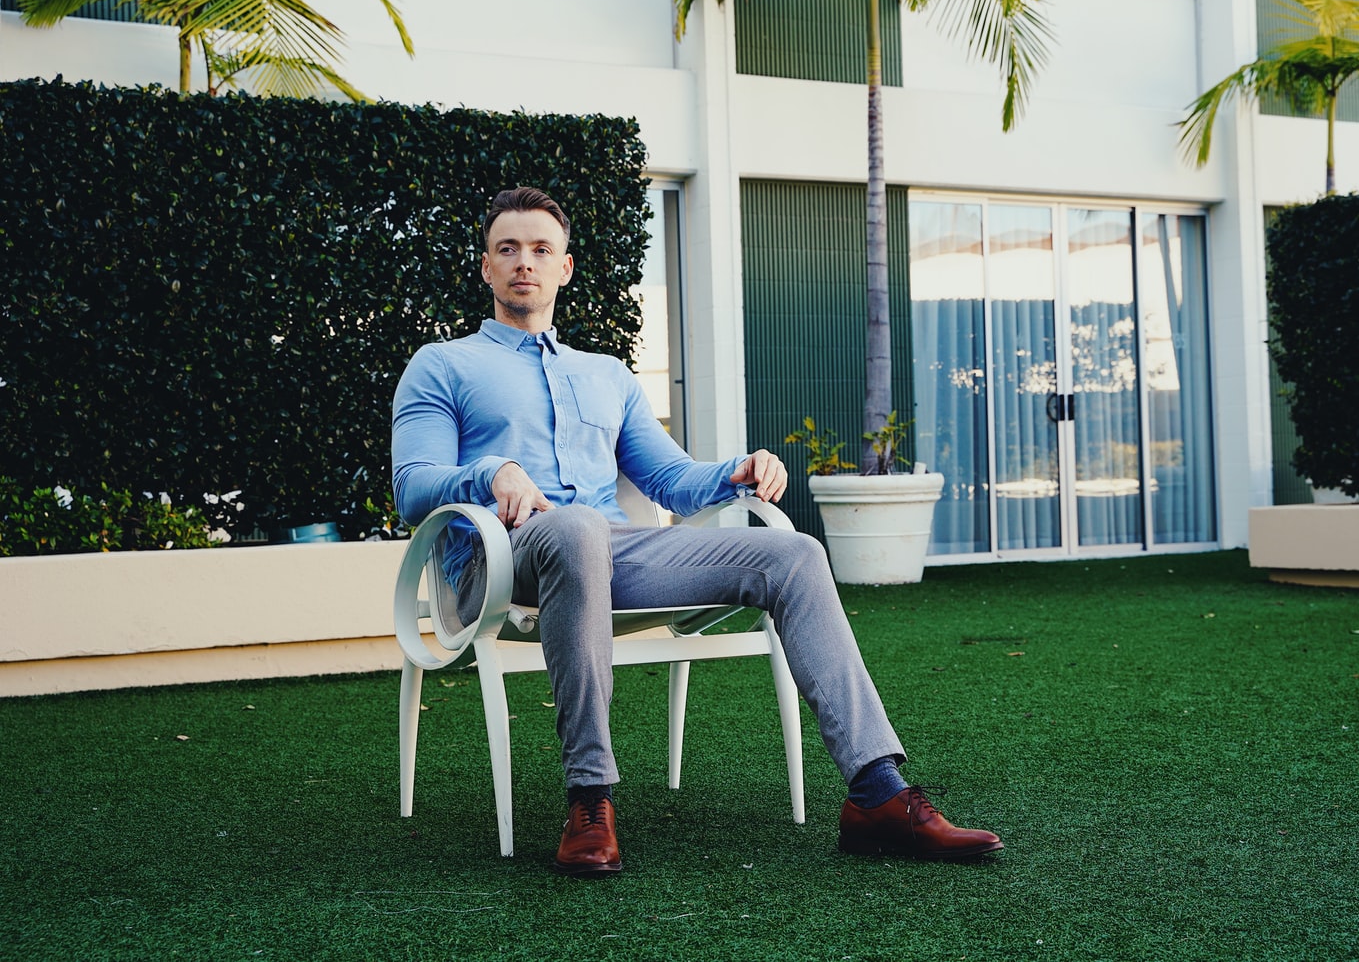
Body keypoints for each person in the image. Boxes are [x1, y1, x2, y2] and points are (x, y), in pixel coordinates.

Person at [392, 187, 1001, 876]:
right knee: (578, 529)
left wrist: (736, 469)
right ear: (485, 268)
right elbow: (412, 486)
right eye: (508, 249)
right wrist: (491, 471)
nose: (523, 262)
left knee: (793, 553)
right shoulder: (441, 365)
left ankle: (876, 795)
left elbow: (670, 479)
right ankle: (590, 798)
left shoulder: (606, 375)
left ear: (565, 268)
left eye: (540, 249)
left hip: (614, 549)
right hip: (506, 555)